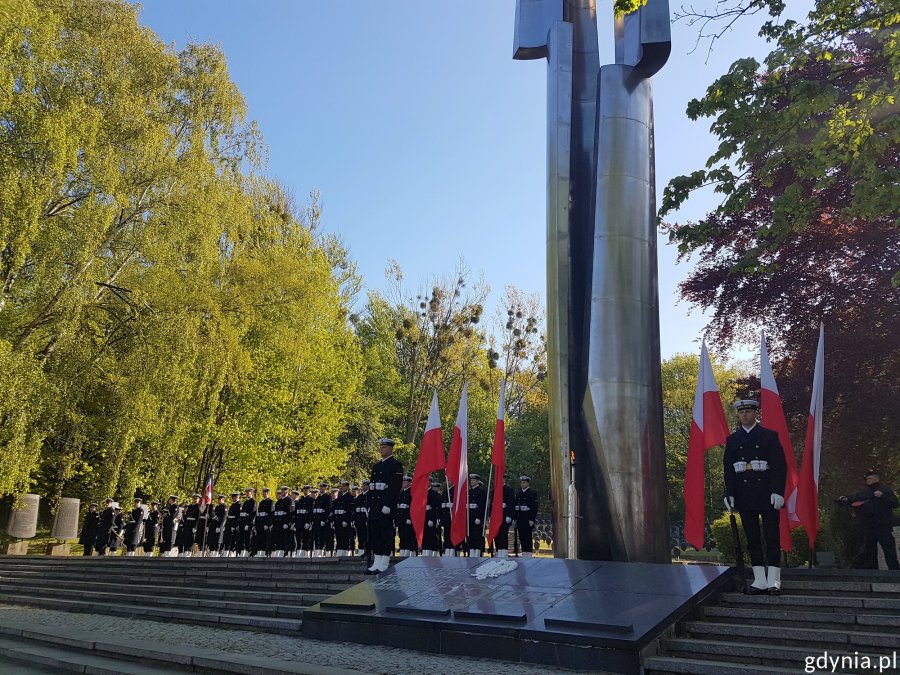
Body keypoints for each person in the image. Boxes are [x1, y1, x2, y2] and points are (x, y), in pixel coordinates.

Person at [723, 399, 787, 594]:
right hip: (745, 494)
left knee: (772, 537)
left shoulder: (768, 436)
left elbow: (779, 465)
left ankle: (774, 580)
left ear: (755, 413)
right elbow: (729, 469)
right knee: (752, 539)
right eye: (741, 413)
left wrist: (778, 491)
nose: (744, 415)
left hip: (767, 492)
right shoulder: (733, 440)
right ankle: (759, 579)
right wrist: (730, 494)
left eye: (748, 412)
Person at [839, 469, 899, 570]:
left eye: (870, 478)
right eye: (867, 479)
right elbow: (853, 499)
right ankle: (869, 568)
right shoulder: (864, 493)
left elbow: (895, 503)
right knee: (868, 548)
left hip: (882, 524)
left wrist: (882, 496)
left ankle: (894, 569)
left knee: (888, 547)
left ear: (876, 478)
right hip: (869, 525)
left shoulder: (885, 490)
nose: (868, 480)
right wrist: (845, 499)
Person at [366, 438, 404, 574]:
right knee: (375, 534)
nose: (381, 449)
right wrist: (369, 505)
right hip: (375, 506)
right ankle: (376, 561)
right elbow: (372, 488)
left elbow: (394, 487)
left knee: (385, 533)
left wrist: (388, 504)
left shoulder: (395, 465)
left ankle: (384, 562)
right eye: (381, 447)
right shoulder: (376, 467)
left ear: (391, 449)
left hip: (386, 506)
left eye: (384, 447)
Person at [491, 474, 516, 557]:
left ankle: (504, 552)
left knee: (503, 534)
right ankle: (498, 551)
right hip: (496, 516)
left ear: (505, 480)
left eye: (502, 479)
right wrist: (489, 515)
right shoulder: (495, 490)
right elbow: (491, 503)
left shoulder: (509, 490)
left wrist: (509, 515)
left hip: (504, 516)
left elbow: (511, 504)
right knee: (496, 535)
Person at [515, 476, 539, 558]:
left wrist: (532, 519)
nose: (522, 484)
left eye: (524, 482)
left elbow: (534, 507)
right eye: (521, 482)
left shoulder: (532, 492)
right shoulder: (518, 492)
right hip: (520, 517)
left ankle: (528, 553)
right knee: (521, 536)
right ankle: (523, 552)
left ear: (528, 483)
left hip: (527, 517)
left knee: (527, 537)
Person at [421, 480, 444, 556]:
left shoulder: (435, 495)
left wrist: (432, 519)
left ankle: (433, 552)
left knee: (432, 536)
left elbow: (435, 508)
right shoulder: (424, 492)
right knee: (425, 536)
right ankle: (425, 551)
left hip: (431, 518)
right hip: (425, 517)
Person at [396, 476, 417, 557]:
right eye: (402, 482)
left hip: (407, 517)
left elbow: (412, 507)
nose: (403, 483)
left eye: (405, 482)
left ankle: (409, 552)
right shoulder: (401, 493)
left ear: (409, 483)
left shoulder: (411, 492)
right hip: (401, 517)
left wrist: (409, 517)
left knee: (409, 536)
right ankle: (403, 551)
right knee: (402, 535)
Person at [333, 480, 355, 557]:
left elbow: (350, 510)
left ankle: (345, 551)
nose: (342, 487)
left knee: (345, 536)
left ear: (348, 487)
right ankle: (339, 550)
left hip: (345, 519)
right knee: (338, 535)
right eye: (342, 486)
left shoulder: (350, 497)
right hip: (338, 519)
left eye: (344, 486)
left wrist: (346, 520)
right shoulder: (340, 497)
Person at [467, 474, 487, 557]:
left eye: (474, 480)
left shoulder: (481, 491)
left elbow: (482, 506)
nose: (472, 482)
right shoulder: (469, 491)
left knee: (477, 536)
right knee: (470, 536)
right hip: (470, 517)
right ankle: (471, 553)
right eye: (471, 480)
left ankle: (477, 554)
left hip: (477, 517)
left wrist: (479, 517)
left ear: (478, 481)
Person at [272, 486, 294, 557]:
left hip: (284, 522)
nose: (282, 492)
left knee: (285, 538)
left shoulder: (289, 500)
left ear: (287, 491)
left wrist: (287, 522)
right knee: (278, 538)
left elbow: (289, 513)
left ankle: (285, 552)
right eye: (281, 491)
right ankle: (279, 551)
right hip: (278, 522)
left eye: (283, 491)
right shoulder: (279, 501)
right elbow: (275, 513)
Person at [313, 482, 332, 557]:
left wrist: (324, 520)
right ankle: (318, 551)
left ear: (325, 488)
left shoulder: (328, 497)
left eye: (322, 487)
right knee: (317, 536)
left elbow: (328, 510)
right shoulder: (318, 497)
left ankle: (324, 551)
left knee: (324, 537)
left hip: (323, 520)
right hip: (317, 520)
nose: (320, 489)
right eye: (320, 487)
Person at [296, 486, 314, 558]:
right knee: (299, 537)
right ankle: (299, 552)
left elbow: (310, 512)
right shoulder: (301, 499)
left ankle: (305, 552)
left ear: (309, 490)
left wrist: (309, 522)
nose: (305, 491)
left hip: (305, 521)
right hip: (300, 521)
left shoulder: (311, 499)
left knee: (306, 538)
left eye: (306, 490)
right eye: (304, 490)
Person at [255, 487, 274, 557]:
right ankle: (259, 551)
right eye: (263, 492)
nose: (263, 494)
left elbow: (271, 514)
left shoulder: (270, 502)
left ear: (268, 493)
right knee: (259, 538)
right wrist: (256, 524)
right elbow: (258, 514)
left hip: (265, 523)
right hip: (260, 523)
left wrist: (268, 524)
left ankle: (264, 552)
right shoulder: (261, 502)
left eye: (264, 492)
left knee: (265, 539)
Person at [238, 488, 257, 557]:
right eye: (246, 493)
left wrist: (248, 523)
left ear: (251, 493)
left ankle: (248, 551)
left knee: (248, 538)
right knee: (242, 537)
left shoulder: (253, 502)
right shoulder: (245, 502)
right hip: (243, 522)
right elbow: (242, 513)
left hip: (248, 523)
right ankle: (243, 550)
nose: (247, 494)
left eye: (248, 493)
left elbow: (252, 514)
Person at [353, 481, 369, 557]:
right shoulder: (359, 496)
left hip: (366, 519)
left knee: (366, 537)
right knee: (360, 536)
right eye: (363, 485)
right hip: (359, 519)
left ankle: (367, 551)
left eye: (365, 485)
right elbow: (355, 509)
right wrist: (354, 520)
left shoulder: (369, 495)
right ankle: (361, 550)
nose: (363, 487)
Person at [223, 492, 241, 557]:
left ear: (237, 497)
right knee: (227, 538)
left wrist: (235, 525)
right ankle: (226, 551)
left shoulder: (239, 505)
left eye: (234, 497)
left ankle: (232, 552)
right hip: (229, 523)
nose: (233, 499)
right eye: (233, 497)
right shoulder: (232, 505)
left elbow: (238, 516)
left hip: (233, 523)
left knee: (233, 539)